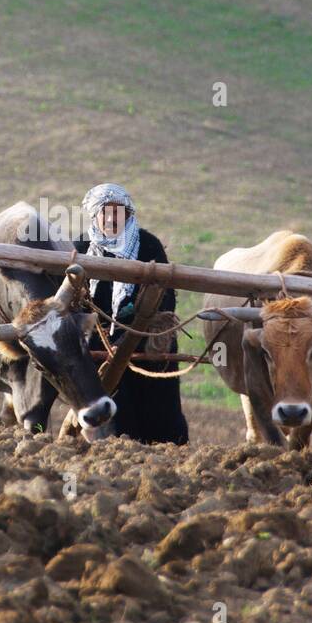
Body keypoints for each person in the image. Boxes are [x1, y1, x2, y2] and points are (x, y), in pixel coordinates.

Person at [76, 183, 189, 445]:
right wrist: (100, 340)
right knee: (115, 413)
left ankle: (170, 451)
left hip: (145, 342)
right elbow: (73, 302)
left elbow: (165, 299)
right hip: (97, 347)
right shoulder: (81, 247)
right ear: (95, 216)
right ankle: (116, 450)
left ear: (128, 215)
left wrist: (131, 335)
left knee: (161, 413)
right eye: (105, 212)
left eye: (118, 211)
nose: (111, 218)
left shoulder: (148, 246)